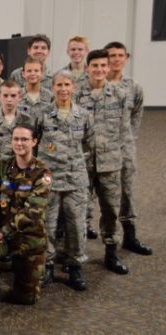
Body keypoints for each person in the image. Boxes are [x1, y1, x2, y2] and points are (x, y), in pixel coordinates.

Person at [0, 124, 51, 309]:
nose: (19, 143)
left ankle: (25, 271)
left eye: (24, 139)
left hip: (29, 237)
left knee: (28, 298)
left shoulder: (42, 173)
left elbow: (31, 213)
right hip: (1, 234)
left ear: (34, 142)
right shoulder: (1, 167)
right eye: (16, 139)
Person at [74, 49, 135, 274]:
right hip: (83, 163)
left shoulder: (120, 95)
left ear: (108, 68)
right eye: (95, 66)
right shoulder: (77, 94)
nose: (99, 70)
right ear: (87, 68)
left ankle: (111, 251)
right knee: (79, 211)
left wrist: (114, 155)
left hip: (110, 163)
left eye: (103, 66)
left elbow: (123, 130)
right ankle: (76, 257)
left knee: (110, 209)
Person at [36, 70, 94, 291]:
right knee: (47, 226)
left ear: (74, 88)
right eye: (59, 85)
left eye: (67, 85)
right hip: (49, 179)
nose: (63, 89)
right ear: (53, 88)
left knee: (76, 225)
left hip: (75, 179)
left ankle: (75, 265)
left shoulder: (84, 116)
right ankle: (48, 265)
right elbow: (35, 141)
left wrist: (75, 162)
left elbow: (90, 144)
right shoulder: (43, 114)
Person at [104, 41, 152, 256]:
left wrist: (129, 139)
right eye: (111, 55)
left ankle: (129, 235)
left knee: (127, 191)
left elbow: (136, 117)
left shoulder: (134, 87)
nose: (115, 59)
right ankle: (98, 238)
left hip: (124, 148)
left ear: (126, 58)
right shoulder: (95, 84)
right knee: (100, 196)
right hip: (100, 149)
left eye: (119, 55)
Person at [0, 80, 35, 187]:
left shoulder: (27, 120)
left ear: (20, 97)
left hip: (20, 174)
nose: (9, 99)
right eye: (5, 95)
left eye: (13, 96)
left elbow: (32, 149)